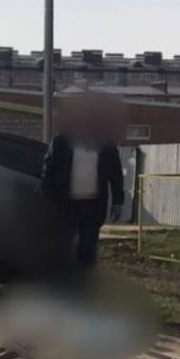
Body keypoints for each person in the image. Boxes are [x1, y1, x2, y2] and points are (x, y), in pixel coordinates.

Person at [40, 94, 125, 271]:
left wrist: (118, 201)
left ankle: (85, 286)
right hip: (66, 204)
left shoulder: (105, 145)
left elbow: (115, 174)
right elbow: (48, 172)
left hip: (93, 206)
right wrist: (50, 199)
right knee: (63, 248)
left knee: (87, 250)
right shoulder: (61, 143)